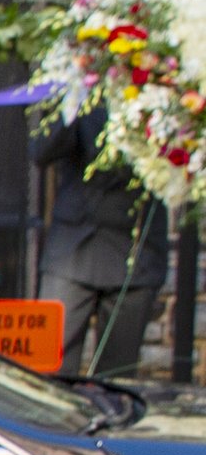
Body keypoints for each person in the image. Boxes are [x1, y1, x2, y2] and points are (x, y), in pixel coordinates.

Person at [36, 111, 166, 379]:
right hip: (73, 250)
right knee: (49, 370)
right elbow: (40, 151)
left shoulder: (164, 90)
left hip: (135, 250)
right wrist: (74, 98)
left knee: (117, 379)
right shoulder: (85, 92)